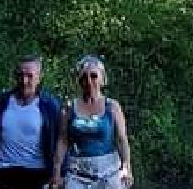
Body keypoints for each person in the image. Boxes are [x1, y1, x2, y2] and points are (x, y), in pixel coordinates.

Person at [0, 55, 66, 189]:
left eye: (30, 76)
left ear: (39, 77)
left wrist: (60, 173)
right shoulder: (2, 103)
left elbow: (61, 141)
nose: (24, 81)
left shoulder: (50, 106)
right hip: (2, 172)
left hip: (36, 174)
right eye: (20, 75)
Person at [55, 54, 134, 189]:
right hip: (78, 173)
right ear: (79, 81)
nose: (89, 81)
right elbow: (63, 140)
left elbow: (122, 139)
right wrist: (56, 171)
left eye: (93, 76)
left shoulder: (113, 107)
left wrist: (126, 167)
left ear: (102, 80)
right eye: (84, 77)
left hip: (109, 173)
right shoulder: (69, 108)